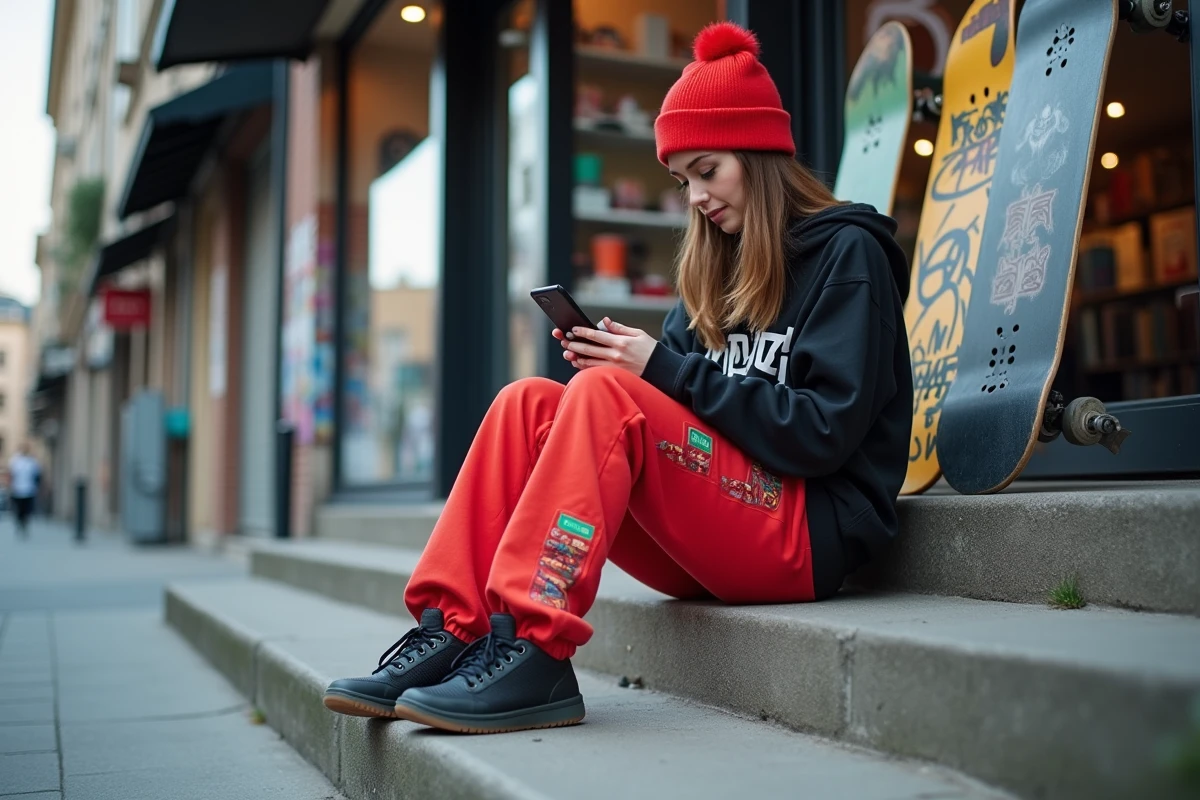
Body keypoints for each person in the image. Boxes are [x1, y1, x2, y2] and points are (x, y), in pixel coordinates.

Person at [322, 20, 913, 734]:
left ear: (759, 154)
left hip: (804, 535)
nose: (696, 197)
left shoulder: (849, 254)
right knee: (528, 402)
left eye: (708, 170)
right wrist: (625, 364)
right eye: (683, 180)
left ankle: (537, 649)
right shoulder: (713, 271)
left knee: (607, 394)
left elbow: (823, 435)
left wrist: (656, 371)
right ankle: (452, 628)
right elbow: (675, 410)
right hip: (711, 533)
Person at [7, 443, 41, 538]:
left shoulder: (32, 462)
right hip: (17, 489)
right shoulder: (15, 461)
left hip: (29, 490)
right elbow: (11, 474)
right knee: (18, 509)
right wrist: (10, 486)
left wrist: (37, 487)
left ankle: (24, 525)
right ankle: (19, 523)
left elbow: (37, 476)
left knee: (27, 510)